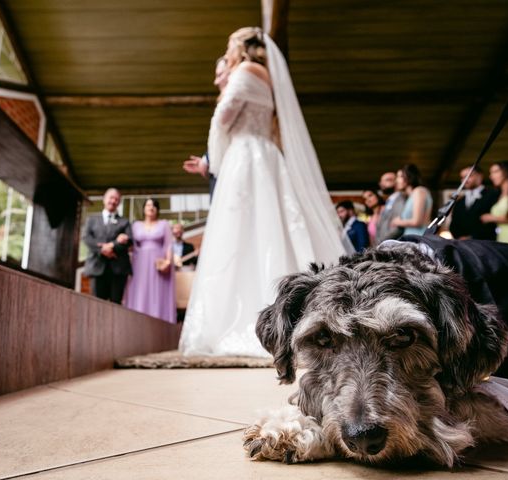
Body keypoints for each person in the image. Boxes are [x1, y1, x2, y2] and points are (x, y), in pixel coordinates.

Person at [179, 27, 347, 357]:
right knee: (271, 230)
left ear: (240, 47)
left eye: (229, 49)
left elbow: (225, 117)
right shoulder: (268, 77)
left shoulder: (244, 71)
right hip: (264, 155)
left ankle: (246, 320)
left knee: (240, 236)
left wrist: (214, 146)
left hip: (245, 156)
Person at [182, 57, 230, 199]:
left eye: (220, 74)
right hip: (220, 174)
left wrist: (206, 161)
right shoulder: (226, 101)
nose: (216, 82)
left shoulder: (239, 100)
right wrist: (206, 160)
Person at [123, 198, 176, 323]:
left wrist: (168, 261)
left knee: (157, 291)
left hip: (158, 261)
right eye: (148, 205)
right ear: (144, 208)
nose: (150, 207)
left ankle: (158, 319)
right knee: (140, 289)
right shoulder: (136, 225)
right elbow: (131, 245)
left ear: (157, 210)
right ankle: (137, 319)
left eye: (154, 205)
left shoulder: (163, 224)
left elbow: (168, 244)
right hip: (139, 261)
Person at [82, 188, 132, 303]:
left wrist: (112, 245)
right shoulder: (92, 219)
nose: (113, 201)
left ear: (119, 203)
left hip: (118, 269)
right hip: (96, 267)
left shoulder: (124, 222)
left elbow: (129, 240)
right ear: (104, 199)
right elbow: (86, 238)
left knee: (116, 304)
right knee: (96, 304)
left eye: (116, 199)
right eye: (111, 197)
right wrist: (102, 249)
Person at [449, 165, 499, 240]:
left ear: (480, 176)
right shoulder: (459, 201)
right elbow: (454, 223)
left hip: (486, 242)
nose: (465, 180)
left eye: (469, 176)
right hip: (462, 244)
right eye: (462, 177)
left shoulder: (493, 195)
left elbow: (493, 221)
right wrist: (459, 237)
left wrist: (472, 237)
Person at [391, 164, 433, 236]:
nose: (397, 180)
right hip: (411, 238)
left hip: (419, 238)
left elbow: (417, 221)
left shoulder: (419, 191)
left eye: (400, 176)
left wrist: (397, 222)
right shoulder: (410, 196)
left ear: (409, 176)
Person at [375, 171, 406, 244]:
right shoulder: (389, 201)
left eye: (387, 180)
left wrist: (383, 241)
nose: (381, 184)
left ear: (396, 181)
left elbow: (398, 227)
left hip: (393, 245)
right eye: (381, 181)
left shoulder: (401, 199)